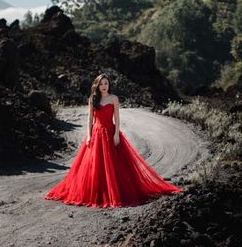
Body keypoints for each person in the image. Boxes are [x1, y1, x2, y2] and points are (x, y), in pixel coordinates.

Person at [45, 73, 182, 207]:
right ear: (97, 86)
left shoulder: (114, 98)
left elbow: (117, 118)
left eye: (106, 83)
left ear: (109, 85)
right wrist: (89, 135)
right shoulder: (93, 99)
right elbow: (90, 119)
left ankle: (115, 192)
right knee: (95, 164)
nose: (104, 86)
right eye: (101, 84)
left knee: (115, 164)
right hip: (97, 134)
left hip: (111, 132)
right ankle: (98, 194)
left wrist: (116, 134)